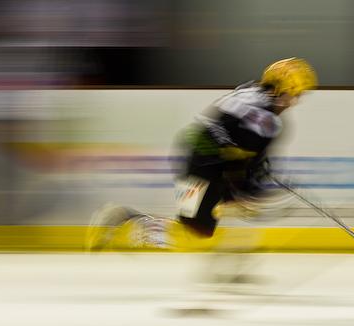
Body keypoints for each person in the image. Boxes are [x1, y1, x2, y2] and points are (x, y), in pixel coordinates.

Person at [88, 58, 316, 261]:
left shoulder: (249, 91)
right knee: (196, 231)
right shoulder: (268, 121)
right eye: (294, 94)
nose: (294, 101)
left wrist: (251, 176)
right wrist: (250, 186)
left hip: (195, 156)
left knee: (201, 224)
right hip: (207, 165)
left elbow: (235, 142)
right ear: (280, 89)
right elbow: (241, 153)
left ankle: (229, 265)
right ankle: (128, 220)